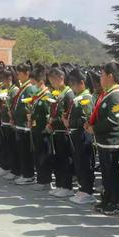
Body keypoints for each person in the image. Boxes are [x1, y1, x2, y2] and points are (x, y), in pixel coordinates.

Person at [86, 62, 119, 215]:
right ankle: (108, 198)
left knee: (113, 172)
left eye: (102, 75)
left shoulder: (116, 95)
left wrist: (94, 128)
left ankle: (117, 201)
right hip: (103, 140)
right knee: (106, 172)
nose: (100, 78)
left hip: (112, 141)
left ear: (110, 76)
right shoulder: (106, 93)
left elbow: (113, 119)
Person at [65, 68, 97, 205]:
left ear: (82, 83)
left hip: (83, 135)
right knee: (78, 162)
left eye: (74, 85)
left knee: (85, 163)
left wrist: (72, 122)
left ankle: (88, 190)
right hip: (75, 135)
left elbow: (87, 118)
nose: (72, 88)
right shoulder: (78, 97)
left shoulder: (86, 97)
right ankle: (82, 188)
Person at [48, 67, 75, 198]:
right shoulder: (56, 92)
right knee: (58, 159)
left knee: (65, 159)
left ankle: (67, 186)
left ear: (61, 78)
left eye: (53, 80)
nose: (52, 83)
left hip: (64, 131)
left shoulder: (68, 93)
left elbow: (68, 114)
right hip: (56, 130)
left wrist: (54, 119)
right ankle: (59, 184)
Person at [28, 65, 54, 191]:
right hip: (36, 130)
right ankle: (41, 179)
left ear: (41, 82)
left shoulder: (47, 96)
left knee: (44, 156)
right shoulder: (37, 95)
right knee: (38, 155)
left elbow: (49, 114)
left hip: (43, 131)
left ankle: (46, 181)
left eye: (34, 83)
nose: (32, 86)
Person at [11, 63, 37, 185]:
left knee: (25, 151)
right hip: (19, 124)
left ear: (26, 73)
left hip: (24, 125)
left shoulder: (30, 88)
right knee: (21, 151)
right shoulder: (23, 87)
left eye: (19, 73)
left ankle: (28, 175)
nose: (17, 75)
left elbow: (29, 106)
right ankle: (24, 173)